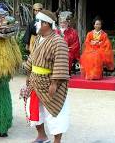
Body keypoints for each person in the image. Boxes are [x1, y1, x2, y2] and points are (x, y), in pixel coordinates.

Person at [23, 10, 69, 143]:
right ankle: (41, 135)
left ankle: (57, 140)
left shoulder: (58, 41)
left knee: (55, 113)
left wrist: (54, 83)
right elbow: (32, 58)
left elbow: (61, 63)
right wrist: (28, 74)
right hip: (35, 81)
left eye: (38, 22)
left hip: (50, 82)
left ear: (46, 24)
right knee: (35, 110)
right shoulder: (38, 38)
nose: (35, 24)